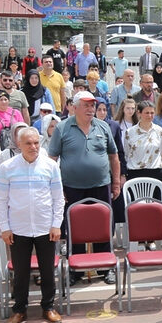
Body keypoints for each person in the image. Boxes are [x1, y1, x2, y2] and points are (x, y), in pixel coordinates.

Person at [46, 92, 122, 285]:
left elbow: (114, 157)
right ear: (75, 107)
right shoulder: (62, 128)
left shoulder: (103, 126)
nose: (91, 109)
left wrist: (115, 182)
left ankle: (105, 267)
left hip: (101, 185)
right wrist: (56, 188)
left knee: (104, 226)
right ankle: (75, 268)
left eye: (93, 105)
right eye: (86, 105)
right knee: (74, 228)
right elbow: (52, 161)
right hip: (72, 187)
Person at [0, 127, 64, 323]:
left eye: (36, 143)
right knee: (21, 271)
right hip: (18, 228)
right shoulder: (7, 168)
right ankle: (20, 310)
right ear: (19, 144)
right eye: (28, 143)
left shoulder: (51, 166)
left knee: (47, 270)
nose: (33, 147)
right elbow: (1, 200)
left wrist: (56, 224)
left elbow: (58, 198)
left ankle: (48, 307)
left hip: (45, 226)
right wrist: (5, 228)